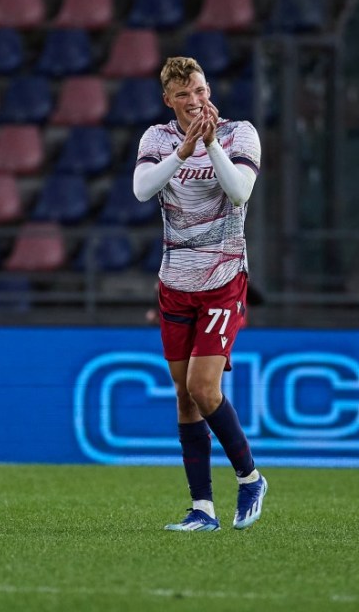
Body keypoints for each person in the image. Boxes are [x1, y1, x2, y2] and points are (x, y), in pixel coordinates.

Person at [133, 56, 267, 532]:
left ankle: (250, 478)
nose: (195, 102)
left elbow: (239, 193)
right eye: (184, 95)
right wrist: (183, 150)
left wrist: (210, 146)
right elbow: (142, 190)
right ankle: (202, 509)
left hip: (222, 279)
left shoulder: (239, 134)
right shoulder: (157, 138)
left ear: (209, 90)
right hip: (175, 284)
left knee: (203, 387)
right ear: (169, 100)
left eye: (201, 91)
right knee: (183, 396)